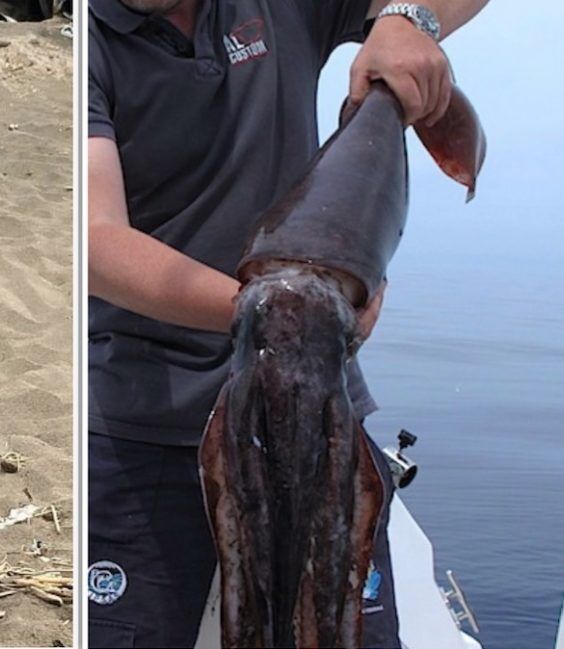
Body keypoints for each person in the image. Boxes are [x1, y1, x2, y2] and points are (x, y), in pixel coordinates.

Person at [87, 1, 487, 646]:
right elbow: (95, 236)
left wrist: (407, 20)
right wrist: (286, 315)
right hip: (142, 421)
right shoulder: (90, 46)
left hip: (330, 405)